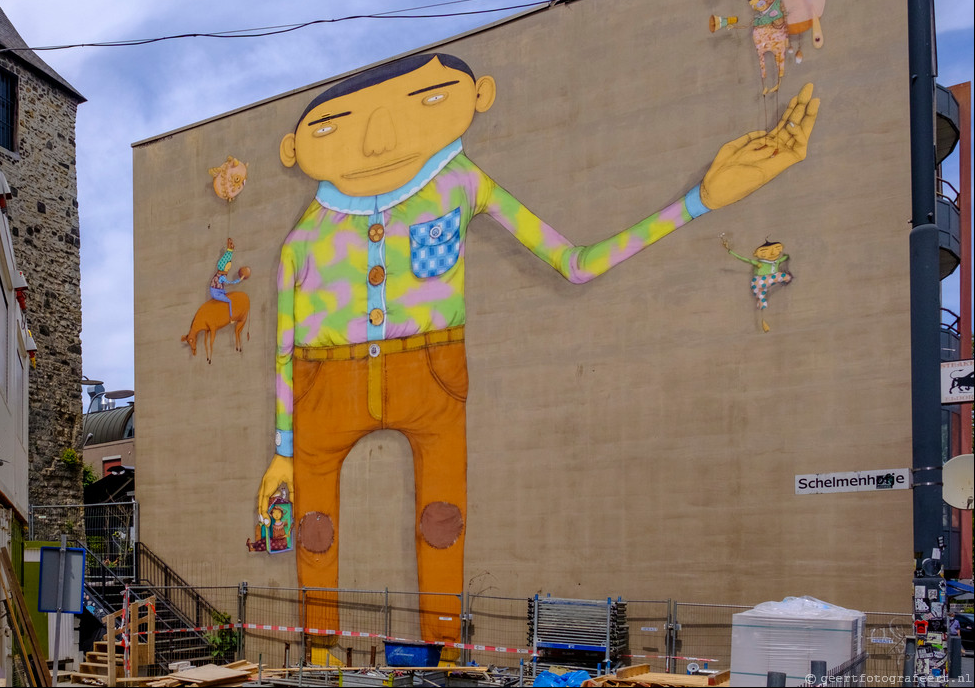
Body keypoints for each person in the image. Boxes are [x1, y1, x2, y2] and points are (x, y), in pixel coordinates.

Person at [255, 52, 819, 659]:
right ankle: (318, 656)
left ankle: (445, 658)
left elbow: (573, 264)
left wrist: (699, 202)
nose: (380, 139)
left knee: (441, 521)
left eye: (430, 99)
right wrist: (283, 452)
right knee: (314, 530)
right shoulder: (302, 238)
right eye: (333, 126)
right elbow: (283, 351)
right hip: (324, 385)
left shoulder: (459, 182)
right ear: (293, 150)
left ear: (481, 94)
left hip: (432, 375)